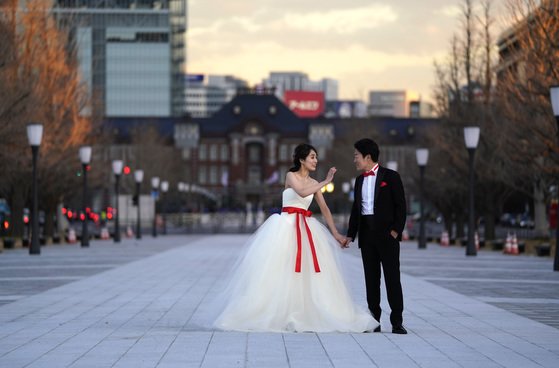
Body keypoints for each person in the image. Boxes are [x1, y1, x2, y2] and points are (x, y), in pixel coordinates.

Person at [213, 143, 376, 333]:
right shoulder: (291, 176)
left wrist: (336, 234)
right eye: (312, 157)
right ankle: (278, 311)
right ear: (301, 159)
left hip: (307, 228)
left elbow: (324, 209)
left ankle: (306, 310)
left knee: (308, 272)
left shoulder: (315, 182)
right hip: (285, 227)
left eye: (316, 157)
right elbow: (301, 192)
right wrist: (326, 181)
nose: (315, 160)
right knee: (281, 269)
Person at [344, 138, 408, 334]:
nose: (354, 159)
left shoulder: (391, 176)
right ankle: (374, 320)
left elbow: (401, 207)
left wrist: (395, 231)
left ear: (367, 156)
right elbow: (356, 210)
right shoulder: (359, 180)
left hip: (387, 237)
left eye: (356, 156)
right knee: (371, 280)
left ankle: (397, 321)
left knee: (392, 279)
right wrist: (350, 235)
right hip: (367, 237)